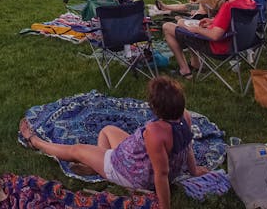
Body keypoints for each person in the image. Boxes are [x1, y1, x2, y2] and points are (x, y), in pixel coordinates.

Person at [18, 77, 209, 209]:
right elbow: (187, 146)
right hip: (138, 159)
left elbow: (161, 174)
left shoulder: (155, 133)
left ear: (156, 109)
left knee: (76, 149)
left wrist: (164, 206)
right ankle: (98, 167)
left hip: (134, 172)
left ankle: (34, 140)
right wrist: (194, 170)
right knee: (107, 130)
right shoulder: (184, 117)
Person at [162, 0, 257, 78]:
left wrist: (196, 30)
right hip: (243, 45)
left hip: (220, 48)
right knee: (187, 24)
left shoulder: (229, 6)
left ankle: (185, 70)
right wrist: (213, 21)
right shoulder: (249, 2)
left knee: (168, 27)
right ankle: (196, 64)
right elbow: (232, 21)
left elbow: (214, 36)